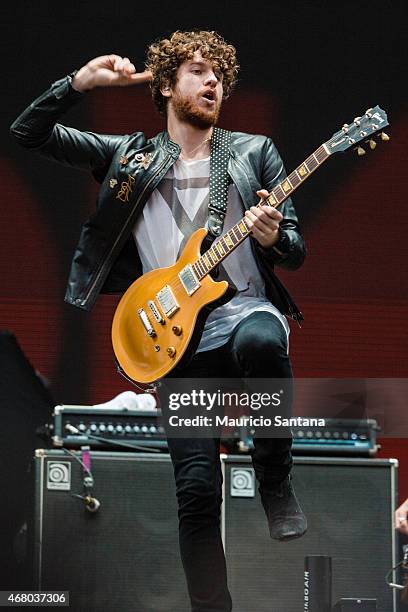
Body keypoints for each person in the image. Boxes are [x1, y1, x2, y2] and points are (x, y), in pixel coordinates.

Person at [11, 30, 307, 612]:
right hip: (174, 339)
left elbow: (293, 247)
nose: (212, 82)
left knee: (264, 339)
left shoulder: (253, 151)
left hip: (242, 308)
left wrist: (276, 237)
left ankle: (275, 479)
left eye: (218, 74)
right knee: (196, 492)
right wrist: (79, 84)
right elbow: (28, 133)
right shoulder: (129, 156)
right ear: (168, 85)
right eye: (198, 71)